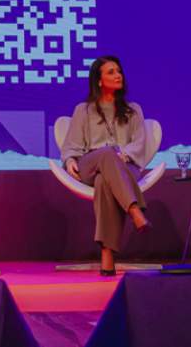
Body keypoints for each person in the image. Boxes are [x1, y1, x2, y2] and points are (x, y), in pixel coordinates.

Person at [60, 55, 150, 275]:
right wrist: (70, 160)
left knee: (104, 181)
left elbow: (140, 143)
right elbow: (71, 145)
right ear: (99, 81)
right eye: (111, 72)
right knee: (106, 155)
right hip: (91, 163)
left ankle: (107, 253)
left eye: (119, 71)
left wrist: (124, 155)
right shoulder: (83, 110)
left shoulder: (133, 110)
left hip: (125, 166)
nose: (118, 75)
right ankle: (134, 209)